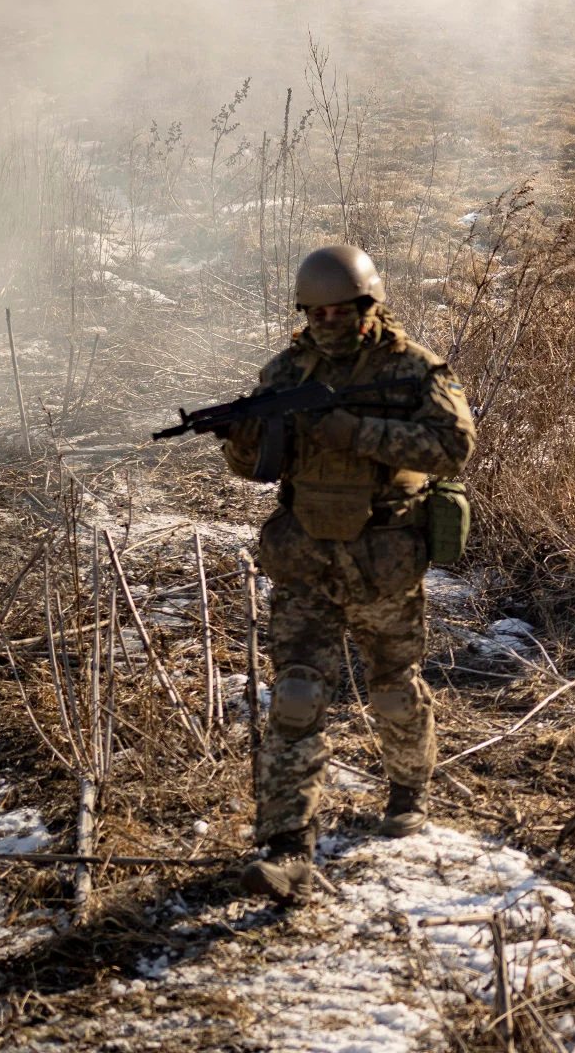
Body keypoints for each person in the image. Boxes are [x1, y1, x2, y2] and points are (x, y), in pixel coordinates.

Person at [221, 246, 476, 904]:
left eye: (342, 310)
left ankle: (408, 791)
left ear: (370, 306)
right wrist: (245, 437)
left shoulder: (413, 369)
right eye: (317, 311)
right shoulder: (286, 370)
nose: (329, 321)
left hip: (385, 558)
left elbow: (454, 449)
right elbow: (256, 469)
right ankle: (287, 848)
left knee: (393, 689)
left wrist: (354, 431)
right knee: (299, 695)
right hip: (307, 556)